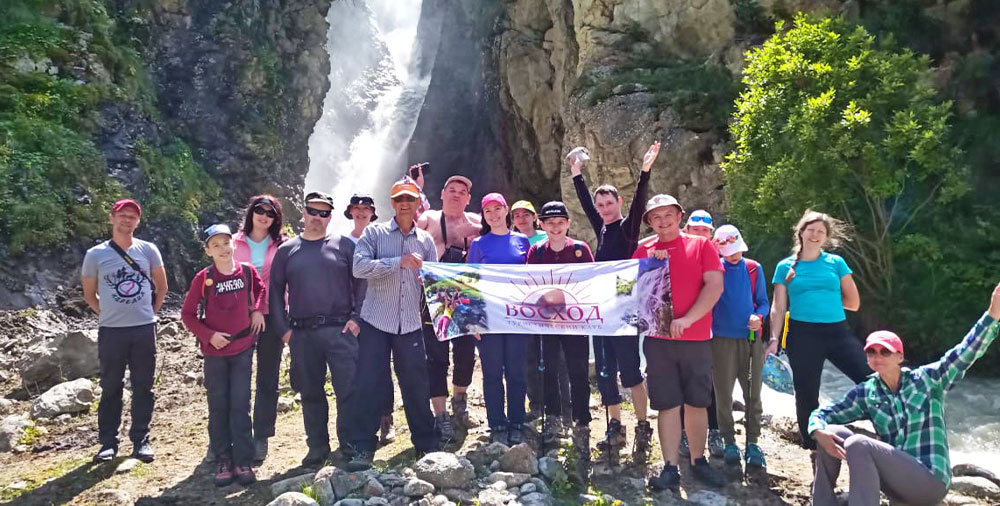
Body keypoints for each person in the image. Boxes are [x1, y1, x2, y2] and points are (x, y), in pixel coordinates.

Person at [809, 282, 1000, 506]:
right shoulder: (867, 392)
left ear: (899, 357)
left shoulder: (928, 380)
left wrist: (992, 315)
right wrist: (816, 429)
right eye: (871, 351)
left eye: (885, 351)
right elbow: (824, 413)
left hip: (930, 481)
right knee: (830, 431)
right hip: (896, 482)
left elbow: (965, 352)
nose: (877, 356)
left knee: (859, 444)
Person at [568, 142, 659, 460]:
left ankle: (643, 428)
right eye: (601, 204)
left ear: (618, 202)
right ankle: (615, 427)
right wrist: (577, 174)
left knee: (630, 370)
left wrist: (645, 171)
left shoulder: (627, 229)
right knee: (605, 370)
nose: (605, 208)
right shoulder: (602, 229)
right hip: (603, 310)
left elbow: (639, 206)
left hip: (626, 311)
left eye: (609, 203)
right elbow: (586, 206)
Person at [632, 195, 725, 490]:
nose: (663, 221)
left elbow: (715, 285)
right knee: (667, 404)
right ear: (649, 222)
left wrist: (688, 319)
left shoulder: (701, 245)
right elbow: (630, 291)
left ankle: (698, 460)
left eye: (668, 215)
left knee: (697, 402)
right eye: (655, 217)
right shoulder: (644, 250)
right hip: (658, 340)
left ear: (679, 215)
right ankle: (670, 466)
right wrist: (649, 267)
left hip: (696, 339)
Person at [349, 178, 440, 470]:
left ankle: (426, 445)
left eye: (410, 199)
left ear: (417, 204)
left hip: (411, 323)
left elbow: (436, 284)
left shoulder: (425, 241)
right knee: (369, 384)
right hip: (376, 321)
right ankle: (363, 448)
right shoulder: (374, 234)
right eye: (399, 199)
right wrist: (397, 262)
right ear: (392, 203)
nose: (404, 204)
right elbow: (359, 267)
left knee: (416, 384)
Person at [269, 191, 363, 467]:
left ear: (330, 216)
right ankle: (317, 447)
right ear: (304, 212)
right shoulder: (287, 251)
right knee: (310, 392)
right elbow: (275, 293)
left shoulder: (345, 246)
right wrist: (284, 330)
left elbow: (361, 284)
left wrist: (357, 318)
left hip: (340, 330)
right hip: (302, 333)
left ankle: (350, 445)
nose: (318, 218)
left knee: (348, 389)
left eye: (324, 213)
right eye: (313, 211)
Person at [768, 210, 871, 449]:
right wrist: (773, 339)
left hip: (837, 332)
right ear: (801, 232)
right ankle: (812, 445)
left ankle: (886, 430)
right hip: (802, 335)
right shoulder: (785, 267)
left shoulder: (836, 263)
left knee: (871, 381)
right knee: (806, 393)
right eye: (810, 230)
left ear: (826, 238)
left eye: (820, 232)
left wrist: (826, 301)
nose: (815, 235)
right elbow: (779, 306)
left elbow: (853, 302)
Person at [81, 199, 168, 463]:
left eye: (132, 216)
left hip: (143, 329)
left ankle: (141, 439)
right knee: (110, 387)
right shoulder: (95, 254)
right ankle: (108, 443)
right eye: (122, 215)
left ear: (138, 221)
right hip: (111, 331)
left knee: (144, 387)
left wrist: (151, 313)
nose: (127, 220)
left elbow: (161, 287)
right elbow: (89, 294)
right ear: (112, 218)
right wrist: (107, 313)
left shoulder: (148, 250)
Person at [181, 224, 266, 486]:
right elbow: (188, 314)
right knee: (219, 405)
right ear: (208, 251)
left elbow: (261, 290)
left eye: (225, 243)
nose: (222, 249)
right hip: (215, 352)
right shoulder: (203, 278)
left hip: (242, 348)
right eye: (215, 245)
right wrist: (209, 336)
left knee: (240, 404)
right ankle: (223, 459)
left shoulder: (248, 272)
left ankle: (243, 460)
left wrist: (258, 310)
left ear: (234, 245)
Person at [525, 201, 595, 465]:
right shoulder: (536, 251)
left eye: (560, 222)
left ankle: (581, 423)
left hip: (575, 322)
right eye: (549, 223)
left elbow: (591, 282)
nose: (555, 227)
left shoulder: (580, 249)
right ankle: (553, 419)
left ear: (568, 224)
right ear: (541, 225)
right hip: (546, 322)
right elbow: (528, 285)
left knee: (578, 372)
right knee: (549, 369)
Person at [416, 173, 481, 442]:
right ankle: (441, 414)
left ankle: (459, 399)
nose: (456, 194)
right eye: (451, 189)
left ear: (468, 198)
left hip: (465, 294)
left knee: (466, 353)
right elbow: (406, 233)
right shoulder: (428, 219)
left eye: (461, 191)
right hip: (433, 294)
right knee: (436, 356)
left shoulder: (478, 222)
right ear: (441, 194)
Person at [467, 192, 531, 445]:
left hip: (517, 317)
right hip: (489, 317)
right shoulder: (478, 244)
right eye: (488, 211)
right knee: (492, 372)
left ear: (506, 211)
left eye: (497, 209)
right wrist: (472, 321)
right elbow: (469, 283)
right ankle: (496, 423)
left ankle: (517, 421)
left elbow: (531, 280)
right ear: (483, 215)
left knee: (516, 371)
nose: (493, 215)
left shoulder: (522, 241)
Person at [710, 225, 770, 470]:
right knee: (723, 394)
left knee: (753, 393)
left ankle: (753, 443)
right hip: (720, 340)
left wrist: (759, 317)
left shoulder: (754, 268)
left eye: (737, 250)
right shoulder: (714, 270)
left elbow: (764, 302)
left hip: (751, 340)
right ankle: (729, 442)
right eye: (729, 251)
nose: (734, 255)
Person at [232, 195, 286, 464]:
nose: (264, 216)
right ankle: (236, 434)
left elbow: (287, 281)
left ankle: (261, 435)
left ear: (276, 218)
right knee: (238, 377)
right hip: (238, 319)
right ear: (251, 212)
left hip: (272, 317)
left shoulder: (282, 245)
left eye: (270, 213)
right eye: (259, 210)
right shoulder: (234, 242)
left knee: (268, 377)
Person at [343, 193, 395, 445]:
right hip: (351, 314)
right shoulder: (342, 242)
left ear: (373, 212)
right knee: (357, 370)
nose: (361, 211)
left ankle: (387, 418)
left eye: (366, 208)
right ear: (350, 212)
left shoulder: (381, 239)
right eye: (356, 208)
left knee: (382, 367)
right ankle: (362, 422)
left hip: (379, 308)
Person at [511, 200, 570, 423]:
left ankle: (565, 409)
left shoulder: (548, 239)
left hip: (558, 310)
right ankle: (536, 405)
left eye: (526, 214)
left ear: (536, 219)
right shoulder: (514, 241)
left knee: (559, 361)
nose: (522, 219)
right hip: (527, 310)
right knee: (530, 358)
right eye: (516, 215)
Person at [675, 210, 725, 459]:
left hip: (714, 331)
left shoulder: (723, 257)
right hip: (684, 329)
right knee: (683, 384)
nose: (701, 234)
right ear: (686, 230)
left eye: (705, 231)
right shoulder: (679, 254)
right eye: (696, 229)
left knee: (710, 385)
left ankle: (714, 431)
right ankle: (684, 433)